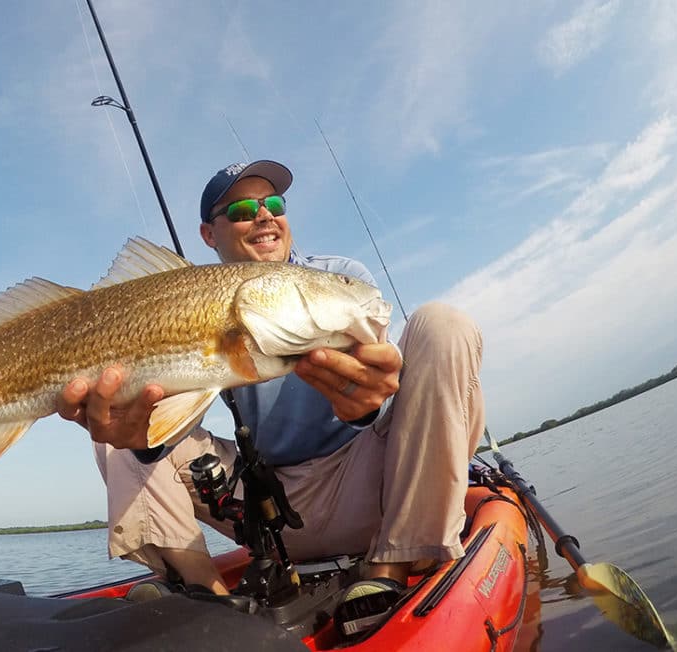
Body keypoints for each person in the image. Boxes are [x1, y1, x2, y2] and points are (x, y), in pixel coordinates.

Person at [56, 160, 485, 635]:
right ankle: (206, 594)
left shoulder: (340, 277)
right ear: (208, 234)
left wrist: (368, 406)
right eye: (241, 209)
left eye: (274, 204)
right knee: (115, 416)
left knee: (442, 325)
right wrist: (139, 437)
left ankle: (395, 564)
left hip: (372, 483)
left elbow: (380, 374)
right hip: (269, 509)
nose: (264, 216)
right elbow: (165, 414)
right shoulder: (187, 298)